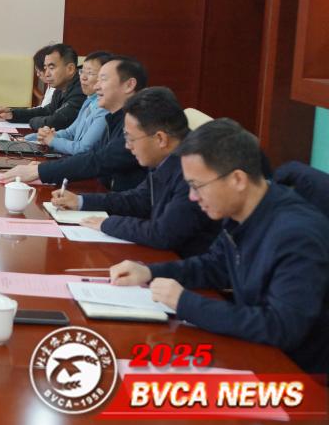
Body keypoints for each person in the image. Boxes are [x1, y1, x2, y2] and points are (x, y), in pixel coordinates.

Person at [110, 119, 329, 376]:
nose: (192, 197)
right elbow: (214, 265)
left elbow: (281, 327)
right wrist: (150, 272)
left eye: (197, 186)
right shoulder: (242, 211)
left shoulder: (296, 235)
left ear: (237, 179)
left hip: (297, 374)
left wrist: (185, 302)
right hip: (254, 351)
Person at [50, 87, 219, 256]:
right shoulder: (167, 157)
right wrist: (81, 201)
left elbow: (163, 233)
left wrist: (106, 224)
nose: (127, 146)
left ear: (160, 138)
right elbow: (139, 199)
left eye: (130, 138)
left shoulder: (194, 170)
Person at [2, 55, 147, 191]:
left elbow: (96, 160)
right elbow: (93, 157)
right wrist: (45, 165)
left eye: (103, 79)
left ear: (129, 85)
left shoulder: (138, 125)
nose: (96, 86)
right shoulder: (114, 117)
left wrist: (41, 170)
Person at [29, 51, 111, 155]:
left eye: (90, 73)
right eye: (82, 72)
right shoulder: (89, 101)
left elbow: (83, 149)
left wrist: (52, 140)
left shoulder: (106, 109)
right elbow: (70, 132)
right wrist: (42, 136)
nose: (83, 77)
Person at [0, 43, 85, 131]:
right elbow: (48, 111)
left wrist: (32, 122)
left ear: (70, 69)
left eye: (51, 68)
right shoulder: (61, 86)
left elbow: (56, 122)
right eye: (45, 68)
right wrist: (14, 114)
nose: (46, 74)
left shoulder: (82, 88)